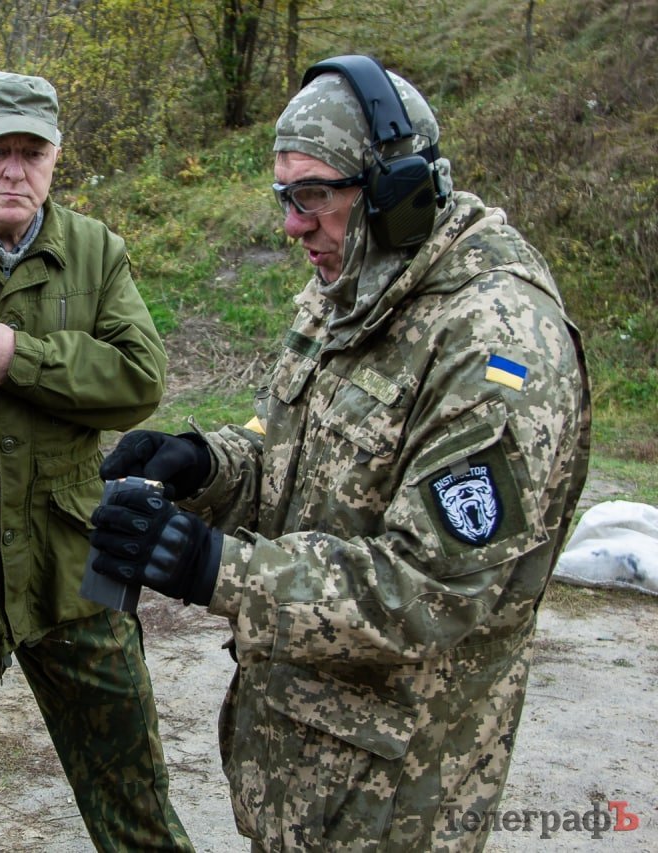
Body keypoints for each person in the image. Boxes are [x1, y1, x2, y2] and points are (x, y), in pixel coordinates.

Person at [88, 55, 591, 851]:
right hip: (303, 767)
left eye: (313, 196)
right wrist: (205, 465)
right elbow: (287, 453)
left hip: (396, 797)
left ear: (397, 192)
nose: (293, 226)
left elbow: (430, 589)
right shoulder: (352, 285)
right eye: (284, 196)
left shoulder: (495, 342)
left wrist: (211, 566)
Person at [0, 71, 191, 851]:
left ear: (56, 158)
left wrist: (18, 357)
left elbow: (141, 378)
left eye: (33, 152)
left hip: (73, 564)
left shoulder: (93, 250)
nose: (14, 170)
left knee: (136, 800)